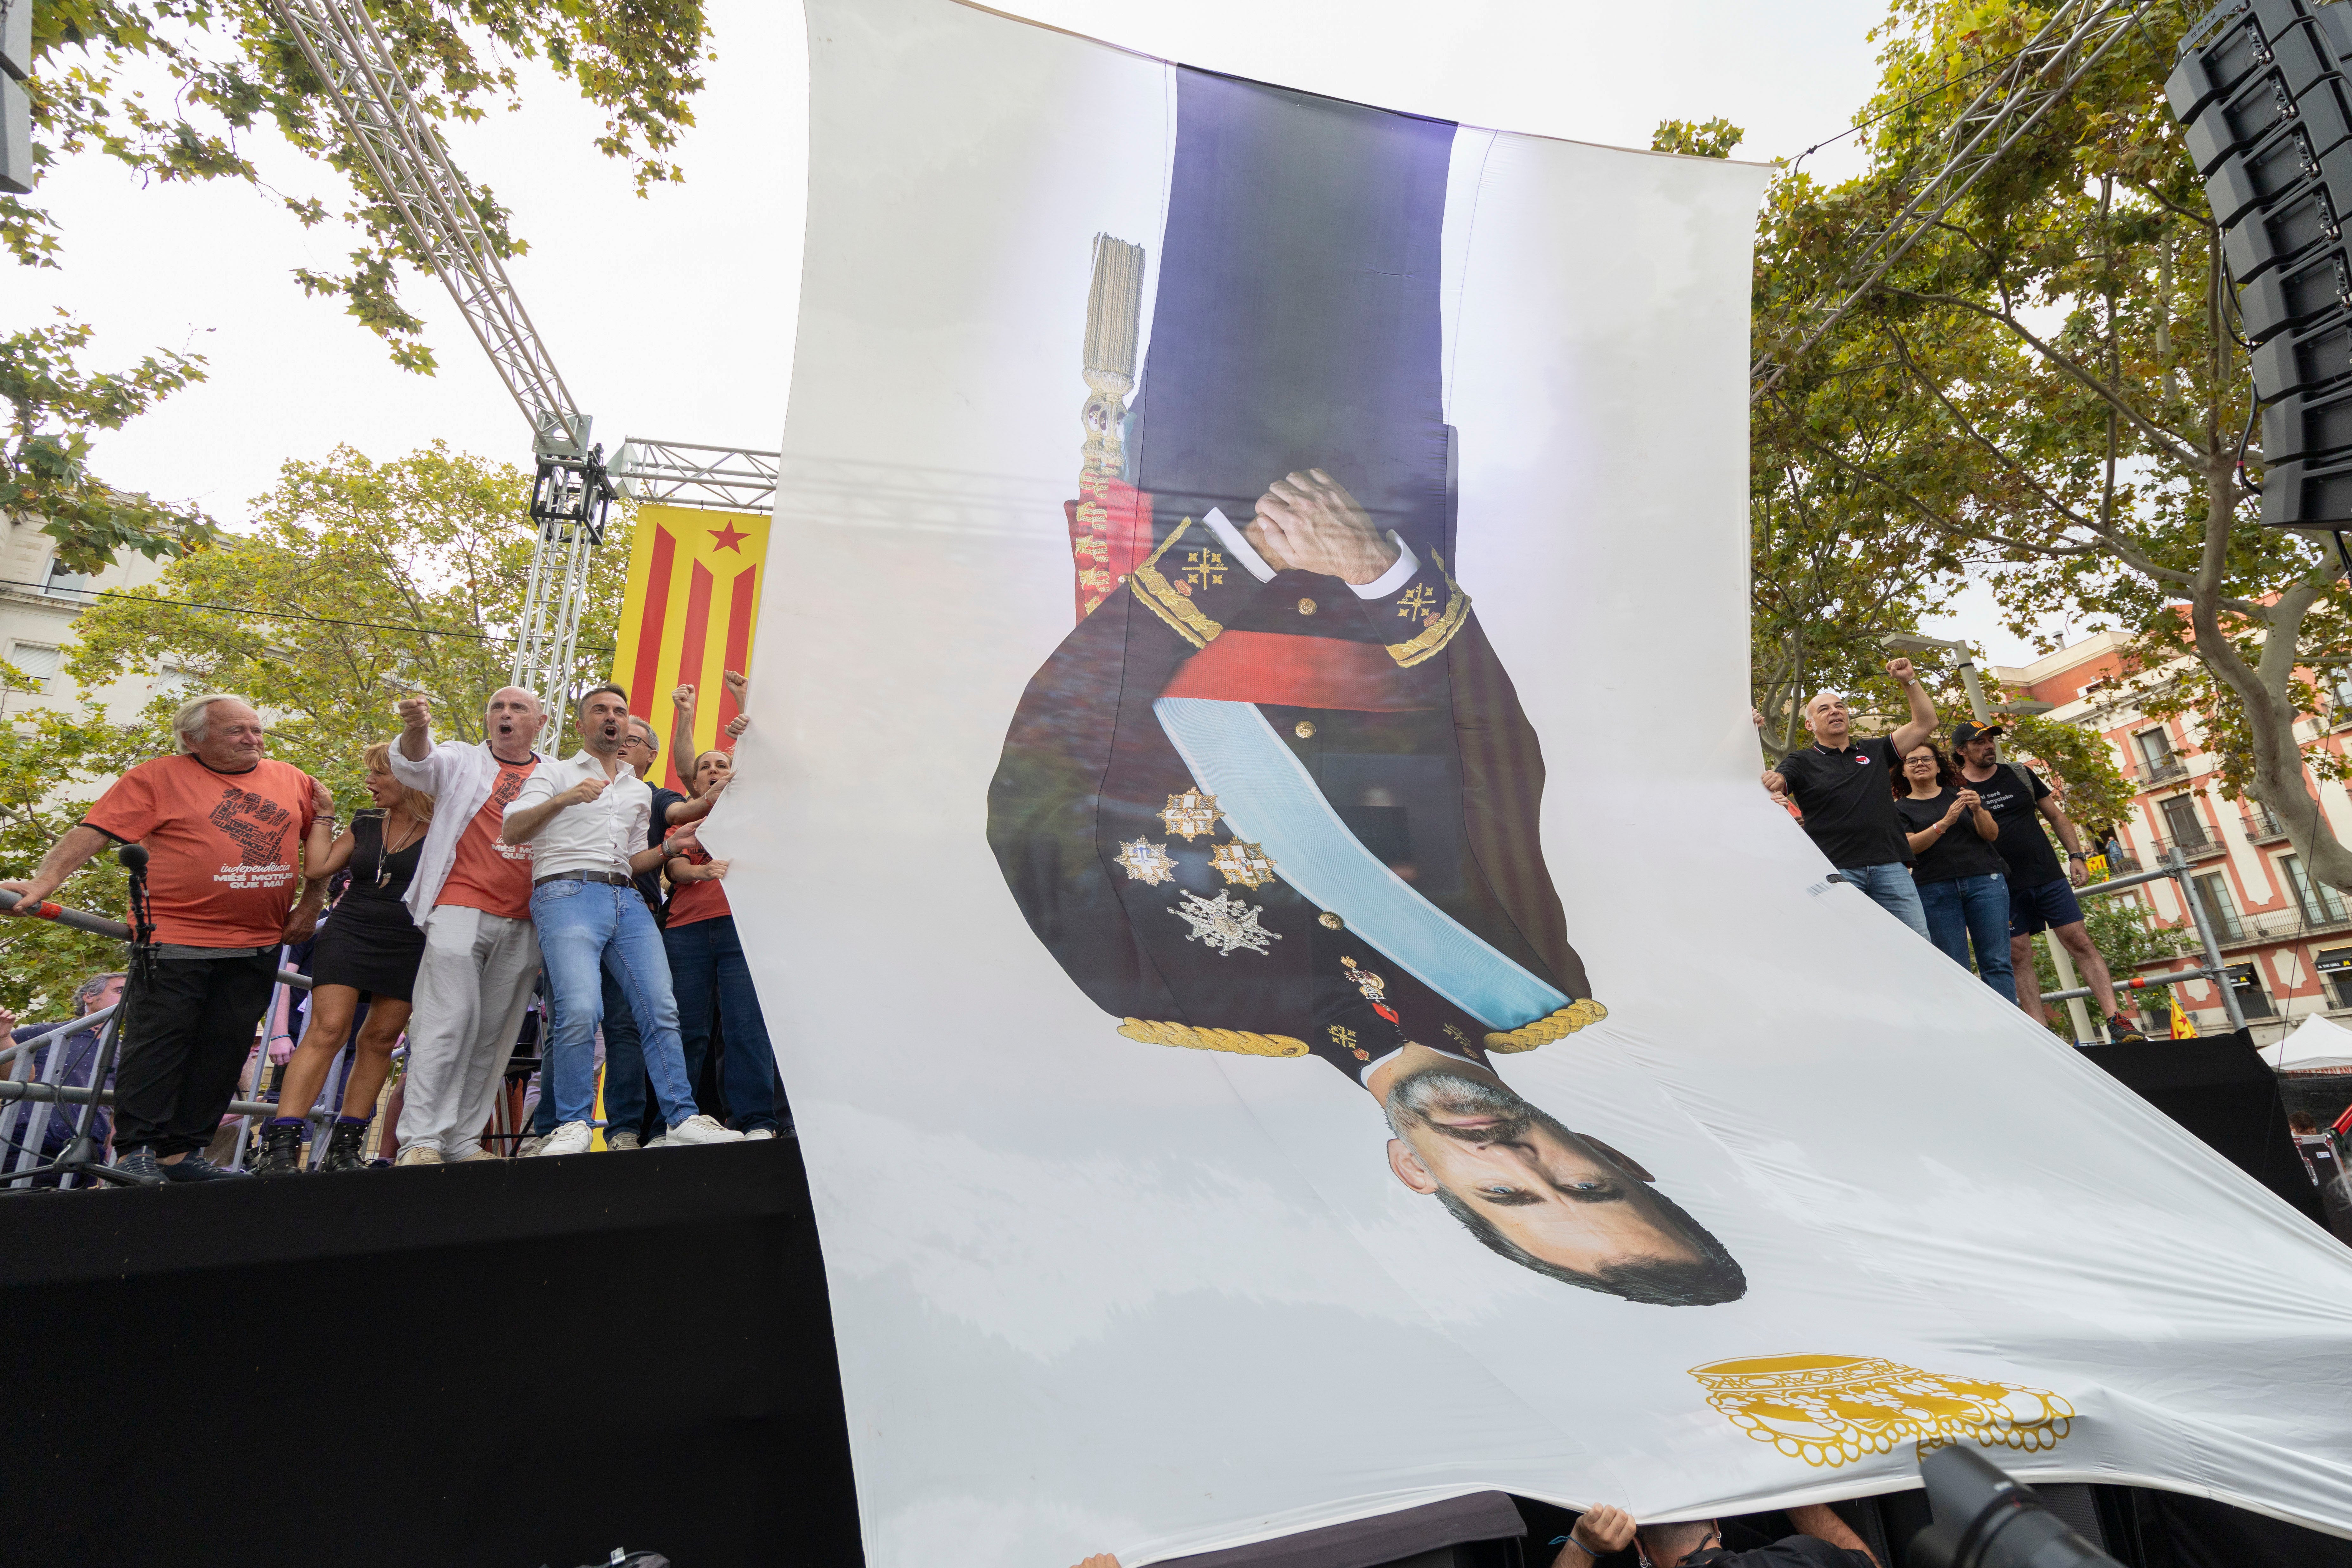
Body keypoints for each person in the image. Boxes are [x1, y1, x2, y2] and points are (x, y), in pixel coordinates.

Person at [990, 467, 1742, 1306]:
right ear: (1612, 1156)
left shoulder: (1165, 996)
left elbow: (1037, 794)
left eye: (1504, 1195)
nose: (1516, 1160)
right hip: (1373, 515)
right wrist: (1381, 570)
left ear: (1416, 1173)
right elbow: (1493, 755)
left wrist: (1224, 556)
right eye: (1587, 1184)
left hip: (1191, 514)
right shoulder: (1530, 981)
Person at [0, 693, 332, 1181]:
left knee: (223, 1051)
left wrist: (310, 904)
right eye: (236, 731)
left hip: (257, 943)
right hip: (176, 940)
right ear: (192, 738)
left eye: (257, 729)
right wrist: (45, 881)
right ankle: (137, 1150)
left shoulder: (292, 778)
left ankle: (182, 1154)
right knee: (159, 1047)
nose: (253, 739)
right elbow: (93, 831)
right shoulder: (157, 777)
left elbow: (318, 846)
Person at [501, 683, 742, 1155]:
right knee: (580, 1009)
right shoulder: (554, 771)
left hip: (626, 898)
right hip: (565, 892)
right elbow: (512, 829)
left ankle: (680, 1116)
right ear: (581, 723)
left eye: (619, 710)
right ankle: (571, 1122)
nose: (611, 717)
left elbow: (635, 861)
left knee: (660, 1007)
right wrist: (563, 799)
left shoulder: (636, 791)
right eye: (600, 710)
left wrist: (672, 845)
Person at [387, 685, 550, 1164]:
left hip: (525, 919)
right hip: (459, 905)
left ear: (540, 723)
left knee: (494, 1034)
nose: (505, 714)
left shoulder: (556, 775)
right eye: (497, 707)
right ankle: (420, 1139)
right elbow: (417, 765)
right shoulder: (461, 759)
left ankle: (460, 1139)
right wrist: (417, 728)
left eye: (518, 708)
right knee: (447, 1020)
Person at [254, 741, 433, 1174]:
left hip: (409, 938)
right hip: (350, 930)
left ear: (411, 777)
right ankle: (280, 1146)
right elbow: (318, 867)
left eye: (379, 773)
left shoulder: (447, 826)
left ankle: (345, 1147)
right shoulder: (366, 821)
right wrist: (326, 814)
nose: (369, 782)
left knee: (379, 1040)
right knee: (329, 1028)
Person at [1949, 722, 2149, 1043]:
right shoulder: (1954, 788)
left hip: (2046, 874)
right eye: (1979, 743)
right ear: (1961, 751)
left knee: (2079, 940)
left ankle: (2116, 1020)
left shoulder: (2018, 774)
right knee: (2017, 954)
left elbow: (2056, 816)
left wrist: (2075, 855)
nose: (1988, 747)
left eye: (1990, 741)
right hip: (1999, 883)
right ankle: (2041, 1032)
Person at [1758, 669, 1940, 939]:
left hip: (1891, 868)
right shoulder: (1801, 761)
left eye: (1839, 706)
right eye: (1824, 709)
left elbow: (1925, 723)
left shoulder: (1875, 751)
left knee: (1920, 947)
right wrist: (1757, 746)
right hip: (1836, 870)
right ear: (1810, 725)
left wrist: (1909, 680)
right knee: (1850, 951)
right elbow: (1775, 786)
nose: (1834, 711)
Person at [663, 747, 783, 1138]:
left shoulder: (756, 817)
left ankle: (756, 1121)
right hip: (686, 930)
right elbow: (674, 865)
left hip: (741, 927)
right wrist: (700, 871)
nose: (713, 770)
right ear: (695, 783)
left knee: (745, 1026)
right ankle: (679, 1120)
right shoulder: (684, 820)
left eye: (722, 765)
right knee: (686, 1029)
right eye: (705, 767)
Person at [1891, 741, 2013, 997]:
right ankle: (1970, 1034)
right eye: (1911, 761)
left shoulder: (1962, 794)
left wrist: (1978, 809)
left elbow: (1991, 834)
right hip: (1934, 888)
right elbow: (1910, 847)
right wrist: (1945, 823)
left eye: (1927, 759)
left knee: (1997, 963)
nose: (1920, 764)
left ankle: (2010, 1032)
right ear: (1903, 771)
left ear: (1938, 766)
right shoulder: (1898, 809)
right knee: (1954, 967)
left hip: (1985, 881)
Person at [2, 973, 118, 1176]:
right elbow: (7, 1070)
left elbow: (114, 1110)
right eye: (119, 991)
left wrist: (111, 1163)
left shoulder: (125, 1050)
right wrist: (3, 1038)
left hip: (90, 1152)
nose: (129, 997)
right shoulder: (48, 1033)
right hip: (27, 1144)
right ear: (89, 997)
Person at [1555, 1503, 1878, 1568]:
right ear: (1715, 1522)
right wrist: (1790, 1492)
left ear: (1639, 1547)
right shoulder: (1800, 1555)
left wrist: (1581, 1542)